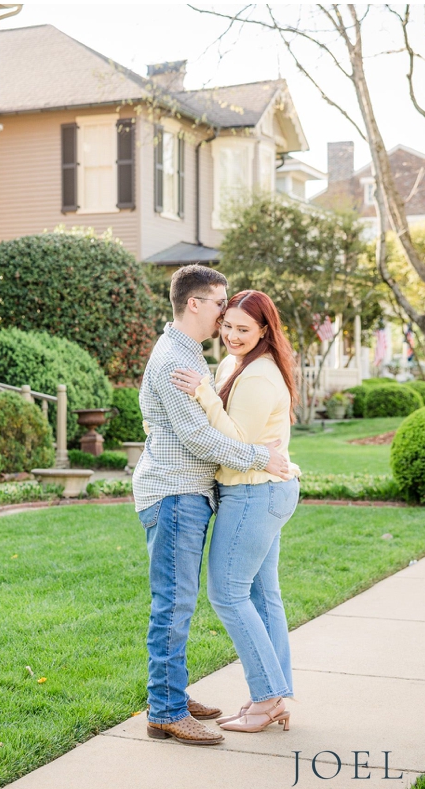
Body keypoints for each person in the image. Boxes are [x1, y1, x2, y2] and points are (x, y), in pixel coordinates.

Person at [133, 265, 293, 747]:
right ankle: (165, 710)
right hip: (177, 493)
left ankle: (171, 694)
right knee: (175, 603)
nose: (226, 314)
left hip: (189, 491)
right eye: (221, 304)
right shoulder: (173, 361)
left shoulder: (190, 355)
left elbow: (159, 421)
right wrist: (261, 456)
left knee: (185, 599)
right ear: (195, 304)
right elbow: (200, 437)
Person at [169, 289, 301, 734]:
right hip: (260, 490)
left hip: (254, 493)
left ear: (265, 330)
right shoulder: (233, 364)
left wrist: (204, 394)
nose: (231, 335)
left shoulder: (261, 375)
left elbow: (241, 443)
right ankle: (273, 696)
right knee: (263, 597)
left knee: (227, 594)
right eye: (227, 325)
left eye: (244, 329)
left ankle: (267, 698)